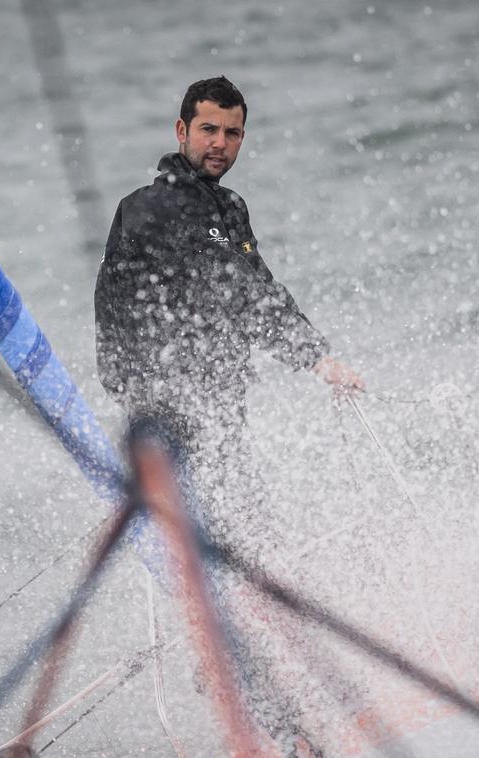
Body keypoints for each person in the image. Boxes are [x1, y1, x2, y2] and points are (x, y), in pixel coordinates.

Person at [95, 76, 360, 544]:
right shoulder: (152, 207)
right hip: (168, 410)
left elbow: (260, 285)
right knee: (229, 531)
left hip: (219, 403)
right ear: (182, 130)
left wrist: (317, 353)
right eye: (208, 129)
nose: (220, 143)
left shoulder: (229, 207)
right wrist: (315, 359)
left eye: (232, 133)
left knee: (247, 528)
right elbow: (230, 289)